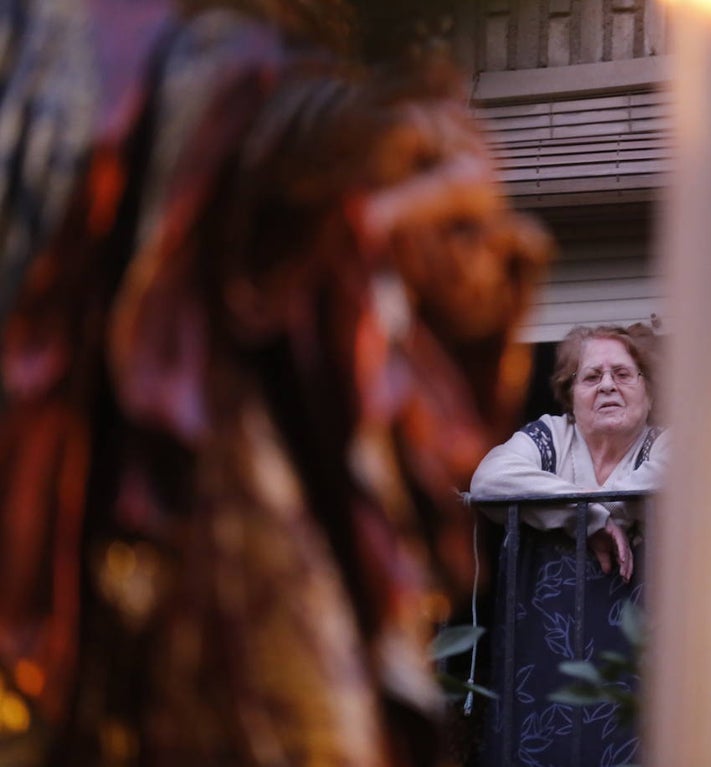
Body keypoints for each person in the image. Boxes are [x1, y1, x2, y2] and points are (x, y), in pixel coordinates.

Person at [0, 0, 549, 764]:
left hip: (238, 471)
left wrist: (410, 237)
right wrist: (328, 139)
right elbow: (137, 108)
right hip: (142, 498)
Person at [469, 323, 668, 767]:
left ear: (647, 390)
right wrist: (590, 521)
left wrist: (570, 510)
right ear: (570, 395)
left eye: (623, 373)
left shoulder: (664, 445)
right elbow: (487, 481)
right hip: (544, 675)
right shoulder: (551, 437)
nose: (608, 387)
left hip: (639, 671)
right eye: (591, 377)